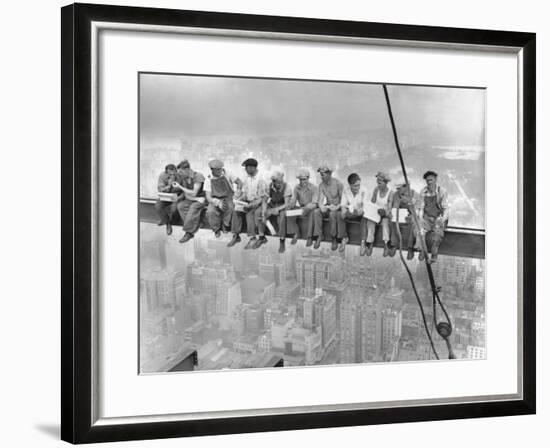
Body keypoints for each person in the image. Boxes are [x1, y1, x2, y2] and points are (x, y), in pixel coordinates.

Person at [227, 158, 268, 249]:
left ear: (253, 168)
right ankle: (236, 235)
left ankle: (253, 237)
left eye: (247, 167)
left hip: (259, 203)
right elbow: (245, 193)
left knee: (250, 213)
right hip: (248, 202)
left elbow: (263, 197)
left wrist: (252, 205)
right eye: (246, 168)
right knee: (236, 210)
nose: (246, 169)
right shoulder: (247, 178)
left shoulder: (261, 179)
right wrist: (239, 200)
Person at [416, 170, 449, 263]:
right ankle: (423, 251)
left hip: (439, 217)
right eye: (427, 180)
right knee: (420, 232)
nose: (429, 182)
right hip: (427, 217)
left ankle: (434, 255)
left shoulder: (442, 191)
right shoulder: (423, 191)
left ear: (435, 180)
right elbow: (421, 208)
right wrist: (421, 218)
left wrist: (442, 219)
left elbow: (446, 208)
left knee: (437, 237)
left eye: (431, 180)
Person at [256, 170, 292, 252]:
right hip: (273, 204)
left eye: (281, 182)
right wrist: (264, 211)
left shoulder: (287, 187)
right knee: (259, 212)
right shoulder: (269, 186)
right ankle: (261, 237)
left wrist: (274, 210)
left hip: (282, 206)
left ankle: (282, 240)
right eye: (277, 182)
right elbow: (265, 201)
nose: (279, 184)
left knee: (282, 216)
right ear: (273, 182)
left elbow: (287, 204)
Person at [204, 159, 242, 238]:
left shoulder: (228, 173)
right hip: (215, 199)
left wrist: (238, 191)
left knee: (230, 207)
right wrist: (217, 203)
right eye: (217, 169)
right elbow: (208, 197)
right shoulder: (208, 179)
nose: (220, 171)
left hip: (228, 197)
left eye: (220, 169)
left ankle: (225, 225)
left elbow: (239, 182)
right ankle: (216, 229)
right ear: (212, 170)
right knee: (210, 211)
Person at [311, 165, 344, 250]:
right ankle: (319, 235)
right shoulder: (321, 185)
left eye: (323, 174)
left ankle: (334, 238)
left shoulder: (338, 184)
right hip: (329, 207)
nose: (321, 177)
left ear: (329, 174)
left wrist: (337, 207)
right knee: (316, 212)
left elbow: (344, 201)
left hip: (338, 208)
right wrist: (322, 206)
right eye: (320, 174)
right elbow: (320, 200)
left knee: (333, 214)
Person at [173, 160, 206, 243]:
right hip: (194, 199)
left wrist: (180, 186)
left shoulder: (198, 176)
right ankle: (196, 223)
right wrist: (195, 199)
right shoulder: (184, 178)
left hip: (202, 199)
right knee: (180, 206)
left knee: (193, 208)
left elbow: (194, 192)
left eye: (181, 172)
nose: (179, 174)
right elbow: (187, 194)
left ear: (187, 169)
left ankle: (189, 232)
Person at [365, 171, 395, 257]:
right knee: (370, 221)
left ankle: (386, 244)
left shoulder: (390, 192)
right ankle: (369, 243)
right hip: (376, 213)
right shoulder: (376, 189)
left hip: (385, 215)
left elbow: (389, 208)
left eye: (380, 183)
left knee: (385, 223)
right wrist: (371, 209)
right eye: (377, 182)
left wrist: (384, 212)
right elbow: (373, 202)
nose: (378, 184)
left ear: (385, 183)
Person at [338, 173, 368, 254]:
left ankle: (363, 242)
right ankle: (344, 238)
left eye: (358, 185)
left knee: (365, 217)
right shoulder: (346, 191)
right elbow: (343, 205)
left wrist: (360, 210)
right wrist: (344, 211)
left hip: (360, 213)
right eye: (355, 186)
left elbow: (365, 205)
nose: (357, 188)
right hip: (351, 212)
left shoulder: (364, 190)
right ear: (350, 185)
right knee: (341, 215)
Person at [287, 168, 318, 247]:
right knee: (290, 212)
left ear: (308, 178)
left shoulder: (314, 188)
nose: (302, 182)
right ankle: (296, 232)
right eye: (300, 180)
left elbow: (315, 203)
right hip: (301, 209)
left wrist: (307, 208)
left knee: (312, 212)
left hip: (310, 208)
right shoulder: (296, 188)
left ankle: (309, 237)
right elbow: (294, 200)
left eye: (304, 179)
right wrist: (290, 204)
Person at [389, 182, 420, 260]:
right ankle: (394, 244)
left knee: (413, 222)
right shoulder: (395, 195)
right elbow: (394, 207)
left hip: (411, 215)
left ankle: (410, 248)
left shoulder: (415, 194)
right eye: (398, 189)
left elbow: (417, 211)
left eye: (401, 188)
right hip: (400, 215)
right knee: (393, 220)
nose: (399, 190)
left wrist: (410, 203)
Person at [154, 163, 179, 235]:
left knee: (174, 209)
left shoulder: (179, 176)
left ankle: (166, 220)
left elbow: (183, 189)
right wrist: (168, 186)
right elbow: (160, 189)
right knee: (158, 206)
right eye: (170, 174)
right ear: (166, 172)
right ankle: (167, 223)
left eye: (173, 173)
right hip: (166, 196)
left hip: (176, 196)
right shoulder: (162, 176)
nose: (172, 175)